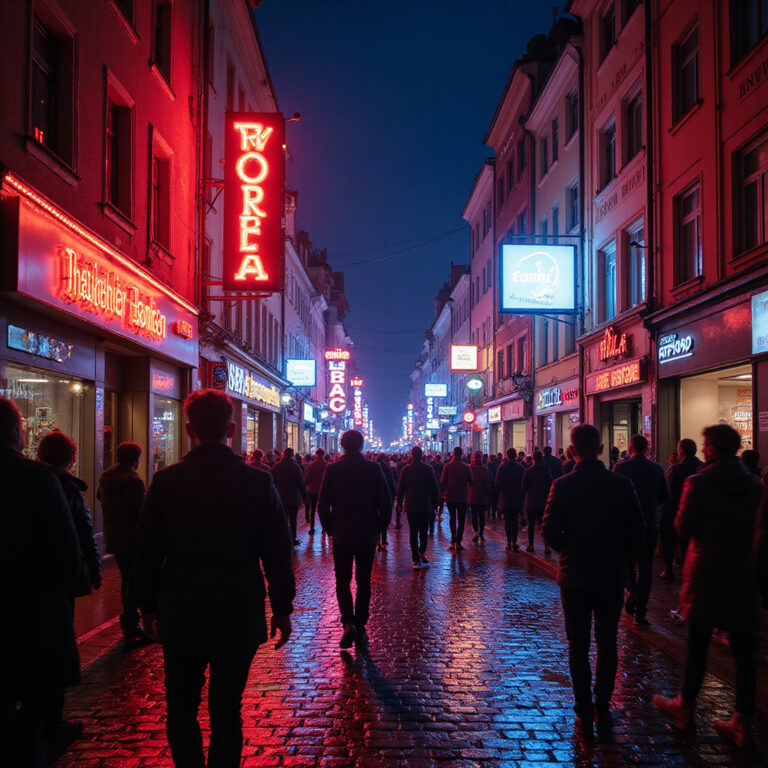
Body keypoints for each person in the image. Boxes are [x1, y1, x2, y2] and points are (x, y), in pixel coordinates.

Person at [137, 389, 294, 767]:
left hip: (182, 607)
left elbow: (147, 550)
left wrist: (146, 605)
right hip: (238, 609)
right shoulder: (257, 482)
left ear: (188, 429)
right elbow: (277, 549)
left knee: (181, 708)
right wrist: (282, 607)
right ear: (233, 429)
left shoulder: (166, 480)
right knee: (227, 710)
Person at [653, 425, 764, 748]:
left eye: (706, 444)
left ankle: (685, 707)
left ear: (712, 448)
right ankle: (742, 722)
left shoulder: (697, 483)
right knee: (744, 652)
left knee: (698, 646)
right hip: (742, 572)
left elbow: (684, 527)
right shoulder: (755, 484)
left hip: (706, 572)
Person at [542, 424, 644, 738]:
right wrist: (627, 568)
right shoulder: (622, 484)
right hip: (611, 576)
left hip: (574, 577)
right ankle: (602, 703)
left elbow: (549, 532)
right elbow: (637, 532)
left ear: (571, 451)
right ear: (601, 449)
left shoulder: (562, 485)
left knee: (578, 644)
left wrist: (568, 550)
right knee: (608, 641)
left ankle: (583, 708)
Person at [1, 398, 82, 768]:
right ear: (17, 433)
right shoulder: (36, 479)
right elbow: (66, 552)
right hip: (31, 615)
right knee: (34, 712)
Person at [37, 430, 102, 756]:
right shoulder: (68, 490)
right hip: (55, 585)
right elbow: (82, 535)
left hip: (26, 583)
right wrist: (89, 572)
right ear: (70, 459)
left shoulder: (24, 482)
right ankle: (50, 724)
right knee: (56, 649)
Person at [318, 429, 391, 648]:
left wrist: (330, 528)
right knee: (363, 579)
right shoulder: (374, 468)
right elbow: (386, 504)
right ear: (361, 445)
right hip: (367, 533)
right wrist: (379, 528)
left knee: (342, 579)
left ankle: (348, 621)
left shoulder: (332, 469)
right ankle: (360, 622)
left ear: (342, 445)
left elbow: (322, 505)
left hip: (341, 533)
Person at [614, 434, 669, 627]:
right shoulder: (657, 468)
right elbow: (664, 495)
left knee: (627, 562)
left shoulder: (621, 467)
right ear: (647, 448)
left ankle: (632, 588)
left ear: (630, 448)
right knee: (646, 567)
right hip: (650, 522)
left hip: (626, 524)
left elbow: (615, 495)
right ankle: (641, 612)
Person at [97, 441, 149, 645]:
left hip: (115, 537)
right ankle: (130, 622)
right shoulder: (133, 482)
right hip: (133, 539)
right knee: (134, 582)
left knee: (127, 579)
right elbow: (142, 513)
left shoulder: (106, 479)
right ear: (136, 459)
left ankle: (130, 622)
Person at [662, 438, 703, 579]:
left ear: (682, 451)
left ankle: (669, 569)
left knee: (669, 543)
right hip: (697, 512)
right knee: (688, 543)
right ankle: (689, 570)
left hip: (674, 511)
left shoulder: (675, 469)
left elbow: (668, 492)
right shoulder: (702, 467)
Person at [396, 445, 440, 569]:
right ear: (421, 455)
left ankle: (415, 559)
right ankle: (422, 552)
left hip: (411, 505)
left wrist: (399, 503)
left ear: (411, 455)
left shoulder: (406, 469)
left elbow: (400, 489)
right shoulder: (428, 469)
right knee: (423, 532)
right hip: (425, 505)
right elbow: (434, 488)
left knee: (413, 532)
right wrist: (435, 504)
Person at [271, 447, 308, 545]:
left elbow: (272, 482)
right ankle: (292, 538)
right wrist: (305, 496)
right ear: (292, 455)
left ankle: (282, 538)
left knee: (282, 519)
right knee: (293, 520)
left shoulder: (276, 466)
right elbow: (300, 483)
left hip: (280, 497)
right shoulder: (295, 467)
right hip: (293, 497)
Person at [440, 446, 473, 551]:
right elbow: (472, 481)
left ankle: (453, 540)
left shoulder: (447, 466)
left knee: (452, 518)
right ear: (461, 454)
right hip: (462, 496)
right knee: (461, 520)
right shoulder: (466, 467)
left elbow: (442, 481)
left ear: (453, 454)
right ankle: (458, 542)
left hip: (451, 496)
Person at [522, 451, 553, 553]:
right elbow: (551, 484)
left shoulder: (528, 471)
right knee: (543, 524)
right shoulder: (546, 471)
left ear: (533, 459)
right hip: (543, 500)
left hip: (531, 501)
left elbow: (524, 487)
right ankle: (546, 545)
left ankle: (531, 545)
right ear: (541, 459)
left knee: (531, 524)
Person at [496, 447, 525, 551]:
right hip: (517, 497)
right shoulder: (520, 468)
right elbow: (523, 484)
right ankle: (514, 542)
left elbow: (497, 484)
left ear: (507, 455)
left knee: (507, 521)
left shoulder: (502, 468)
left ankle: (508, 542)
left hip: (505, 497)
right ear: (515, 455)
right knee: (515, 521)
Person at [468, 451, 491, 542]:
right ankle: (481, 533)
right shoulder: (485, 469)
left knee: (474, 515)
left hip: (472, 495)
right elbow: (488, 483)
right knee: (481, 516)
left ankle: (476, 532)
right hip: (482, 496)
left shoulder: (470, 468)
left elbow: (468, 482)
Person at [303, 448, 326, 535]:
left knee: (312, 510)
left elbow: (307, 477)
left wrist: (306, 486)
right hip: (322, 490)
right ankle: (324, 527)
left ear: (316, 455)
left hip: (312, 490)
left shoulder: (312, 465)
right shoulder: (325, 465)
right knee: (322, 509)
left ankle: (312, 527)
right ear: (323, 455)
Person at [377, 454, 397, 548]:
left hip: (376, 497)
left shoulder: (373, 468)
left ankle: (377, 540)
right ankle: (383, 540)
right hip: (386, 496)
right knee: (385, 517)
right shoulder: (388, 469)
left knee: (376, 517)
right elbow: (391, 483)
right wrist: (393, 495)